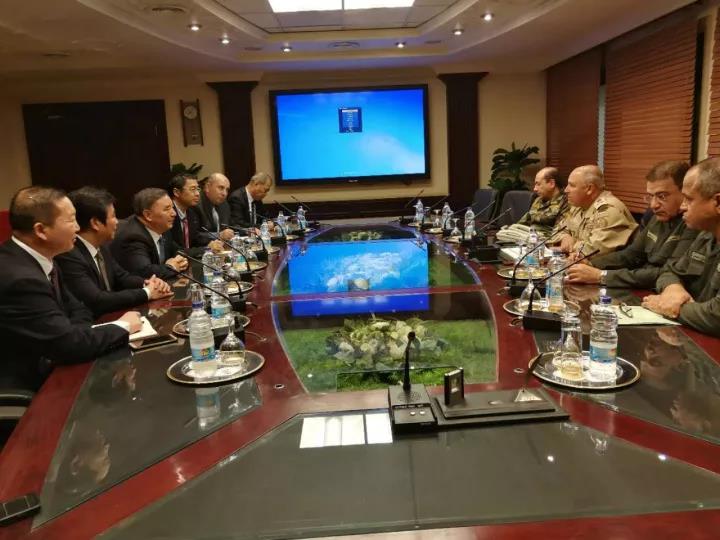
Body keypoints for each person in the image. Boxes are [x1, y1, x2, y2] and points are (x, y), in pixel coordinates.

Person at [0, 186, 141, 391]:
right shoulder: (20, 279)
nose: (77, 227)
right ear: (41, 230)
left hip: (57, 361)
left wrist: (77, 334)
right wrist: (123, 326)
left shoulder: (44, 257)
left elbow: (78, 308)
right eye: (71, 220)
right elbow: (67, 344)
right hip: (27, 384)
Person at [566, 160, 698, 288]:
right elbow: (631, 255)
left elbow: (668, 273)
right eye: (651, 196)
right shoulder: (657, 217)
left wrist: (602, 276)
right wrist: (591, 264)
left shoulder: (693, 223)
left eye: (662, 196)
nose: (654, 205)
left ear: (684, 192)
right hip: (642, 286)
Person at [56, 187, 172, 317]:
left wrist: (149, 284)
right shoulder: (69, 254)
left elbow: (122, 278)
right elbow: (97, 300)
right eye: (113, 216)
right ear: (95, 223)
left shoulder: (102, 245)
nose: (117, 222)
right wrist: (147, 293)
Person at [643, 158, 720, 337]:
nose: (682, 206)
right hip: (694, 337)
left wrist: (666, 306)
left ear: (717, 202)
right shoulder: (706, 235)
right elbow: (669, 271)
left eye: (689, 199)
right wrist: (673, 288)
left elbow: (716, 317)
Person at [555, 165, 637, 260]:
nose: (566, 190)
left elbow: (592, 251)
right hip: (578, 263)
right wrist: (565, 237)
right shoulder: (579, 206)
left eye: (572, 185)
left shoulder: (609, 210)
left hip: (603, 267)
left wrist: (571, 244)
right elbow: (559, 229)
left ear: (589, 189)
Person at [111, 188, 187, 281]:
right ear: (148, 215)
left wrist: (181, 261)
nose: (174, 213)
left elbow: (177, 251)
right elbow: (145, 272)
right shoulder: (133, 236)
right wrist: (171, 267)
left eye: (172, 207)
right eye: (167, 209)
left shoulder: (162, 226)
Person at [516, 167, 569, 236]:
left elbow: (559, 233)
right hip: (529, 236)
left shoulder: (566, 202)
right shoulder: (538, 199)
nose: (535, 189)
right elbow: (524, 221)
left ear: (551, 183)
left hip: (546, 240)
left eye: (538, 184)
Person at [196, 173, 234, 245]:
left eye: (227, 190)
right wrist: (218, 235)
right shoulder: (196, 204)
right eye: (221, 188)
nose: (224, 193)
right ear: (207, 187)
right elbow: (195, 236)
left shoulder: (224, 204)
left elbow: (229, 226)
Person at [168, 173, 202, 252]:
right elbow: (175, 249)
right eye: (193, 189)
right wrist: (206, 249)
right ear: (176, 192)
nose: (197, 194)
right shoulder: (168, 214)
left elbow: (196, 239)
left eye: (198, 189)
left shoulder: (193, 212)